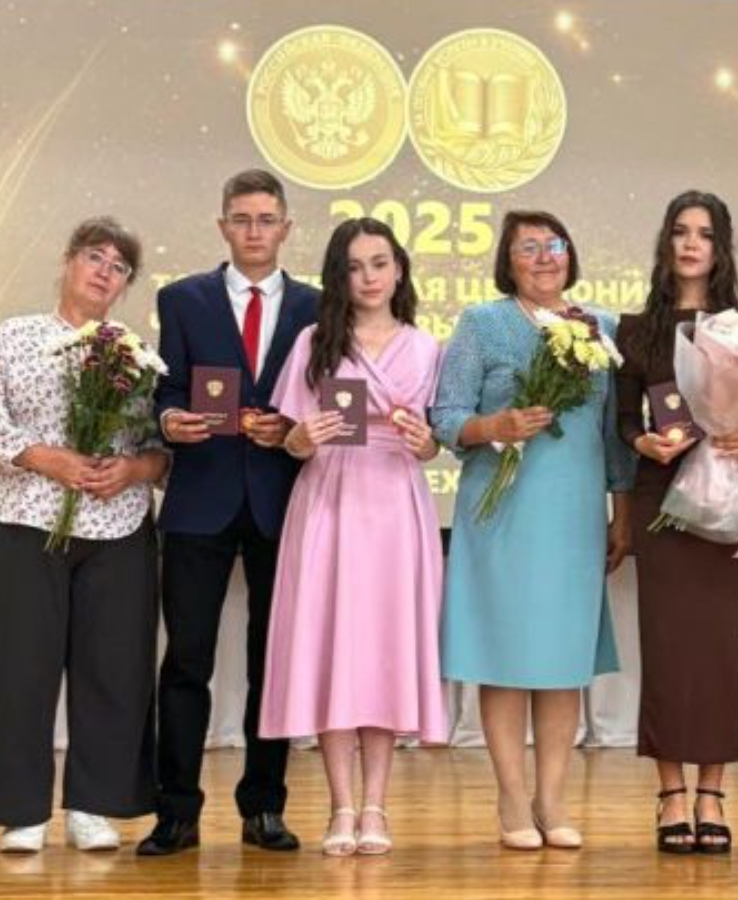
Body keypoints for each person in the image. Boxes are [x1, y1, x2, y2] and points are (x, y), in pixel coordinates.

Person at [0, 216, 168, 853]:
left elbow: (162, 447)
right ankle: (21, 812)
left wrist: (134, 469)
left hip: (118, 530)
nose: (105, 271)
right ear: (69, 261)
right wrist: (45, 458)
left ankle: (93, 808)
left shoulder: (138, 356)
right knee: (18, 670)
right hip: (27, 525)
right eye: (95, 257)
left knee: (115, 672)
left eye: (119, 266)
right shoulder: (14, 336)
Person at [430, 210, 636, 850]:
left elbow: (613, 434)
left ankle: (553, 798)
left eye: (555, 245)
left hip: (573, 513)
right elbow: (445, 416)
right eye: (529, 248)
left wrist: (622, 510)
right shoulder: (481, 324)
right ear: (507, 262)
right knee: (505, 656)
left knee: (562, 659)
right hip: (502, 513)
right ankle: (512, 798)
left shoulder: (600, 327)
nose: (545, 257)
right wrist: (493, 427)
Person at [140, 169, 319, 856]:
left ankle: (264, 807)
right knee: (186, 661)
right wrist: (170, 421)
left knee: (273, 662)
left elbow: (324, 398)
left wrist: (292, 430)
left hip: (282, 500)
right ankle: (176, 812)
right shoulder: (182, 298)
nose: (254, 231)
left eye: (266, 219)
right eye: (241, 219)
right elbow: (167, 389)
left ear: (285, 228)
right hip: (199, 500)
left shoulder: (315, 306)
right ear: (223, 226)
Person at [258, 218, 447, 856]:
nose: (368, 277)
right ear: (338, 277)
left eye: (379, 263)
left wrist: (427, 443)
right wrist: (301, 437)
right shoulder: (315, 341)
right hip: (330, 503)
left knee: (384, 649)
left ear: (400, 270)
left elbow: (434, 441)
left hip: (395, 504)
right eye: (354, 266)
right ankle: (340, 806)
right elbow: (290, 438)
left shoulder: (426, 348)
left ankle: (375, 806)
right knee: (335, 648)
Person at [615, 191, 738, 854]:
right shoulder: (636, 329)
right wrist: (641, 442)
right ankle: (671, 794)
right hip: (661, 500)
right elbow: (625, 418)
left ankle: (713, 793)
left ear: (720, 247)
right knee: (669, 650)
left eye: (704, 234)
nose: (690, 244)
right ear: (666, 241)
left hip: (728, 495)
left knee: (719, 651)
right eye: (680, 231)